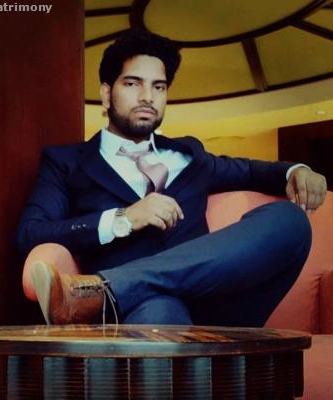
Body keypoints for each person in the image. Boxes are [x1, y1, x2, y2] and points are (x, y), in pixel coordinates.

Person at [16, 30, 327, 327]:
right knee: (159, 313)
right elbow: (31, 233)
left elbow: (252, 171)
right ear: (107, 94)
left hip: (217, 303)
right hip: (142, 312)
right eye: (133, 84)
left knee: (290, 221)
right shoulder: (67, 162)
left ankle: (106, 288)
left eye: (159, 87)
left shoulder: (191, 155)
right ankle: (127, 300)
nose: (147, 97)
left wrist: (297, 171)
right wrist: (123, 219)